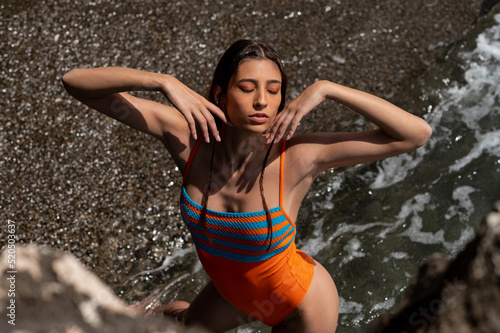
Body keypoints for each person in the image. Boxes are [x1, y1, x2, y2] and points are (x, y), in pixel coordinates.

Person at [62, 39, 432, 333]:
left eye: (274, 91)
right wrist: (162, 81)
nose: (262, 101)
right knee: (177, 328)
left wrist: (328, 88)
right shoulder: (188, 139)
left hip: (303, 307)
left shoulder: (300, 157)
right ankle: (157, 312)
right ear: (220, 94)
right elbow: (75, 83)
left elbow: (415, 134)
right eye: (247, 87)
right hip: (232, 297)